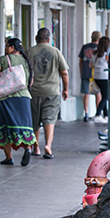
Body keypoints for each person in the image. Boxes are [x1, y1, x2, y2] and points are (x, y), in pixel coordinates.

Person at [0, 38, 36, 166]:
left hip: (4, 99)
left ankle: (9, 157)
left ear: (11, 47)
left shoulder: (4, 60)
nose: (5, 48)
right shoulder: (26, 61)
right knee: (24, 125)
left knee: (4, 126)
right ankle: (27, 148)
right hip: (23, 98)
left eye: (6, 46)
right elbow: (30, 81)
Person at [28, 28, 69, 159]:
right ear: (49, 39)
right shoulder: (56, 52)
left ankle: (36, 147)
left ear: (36, 38)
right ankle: (48, 146)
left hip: (34, 92)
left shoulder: (30, 52)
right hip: (52, 92)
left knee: (34, 121)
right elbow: (64, 72)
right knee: (49, 119)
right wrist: (65, 89)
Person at [78, 31, 101, 122]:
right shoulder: (100, 48)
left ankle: (86, 113)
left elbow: (80, 61)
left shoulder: (85, 47)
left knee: (86, 93)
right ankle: (98, 113)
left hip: (86, 72)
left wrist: (81, 71)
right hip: (96, 74)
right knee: (98, 93)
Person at [92, 36, 110, 123]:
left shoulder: (95, 53)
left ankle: (106, 115)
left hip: (96, 76)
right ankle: (98, 114)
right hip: (104, 76)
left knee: (104, 95)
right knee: (105, 96)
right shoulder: (106, 54)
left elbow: (91, 64)